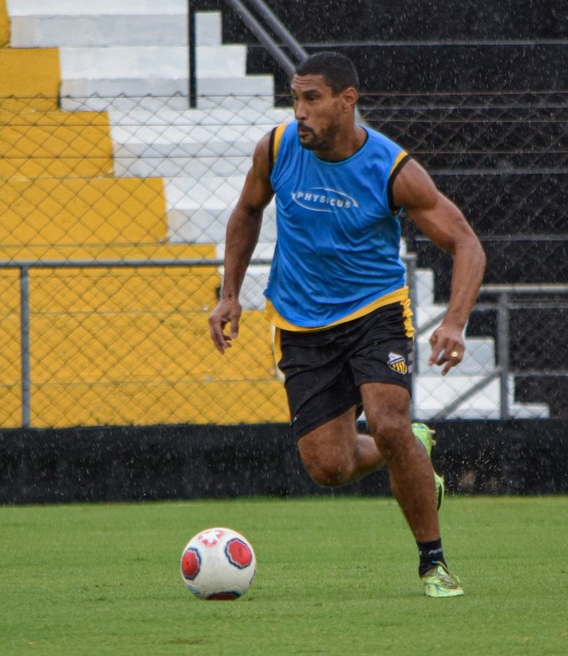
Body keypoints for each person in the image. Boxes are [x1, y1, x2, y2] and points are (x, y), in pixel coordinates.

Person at [207, 51, 486, 598]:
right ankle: (412, 445)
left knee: (386, 419)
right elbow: (246, 211)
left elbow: (466, 243)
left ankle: (433, 564)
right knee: (328, 468)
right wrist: (229, 295)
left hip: (373, 312)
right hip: (301, 321)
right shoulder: (277, 147)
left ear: (347, 100)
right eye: (295, 98)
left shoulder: (391, 168)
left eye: (312, 98)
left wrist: (454, 322)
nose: (300, 111)